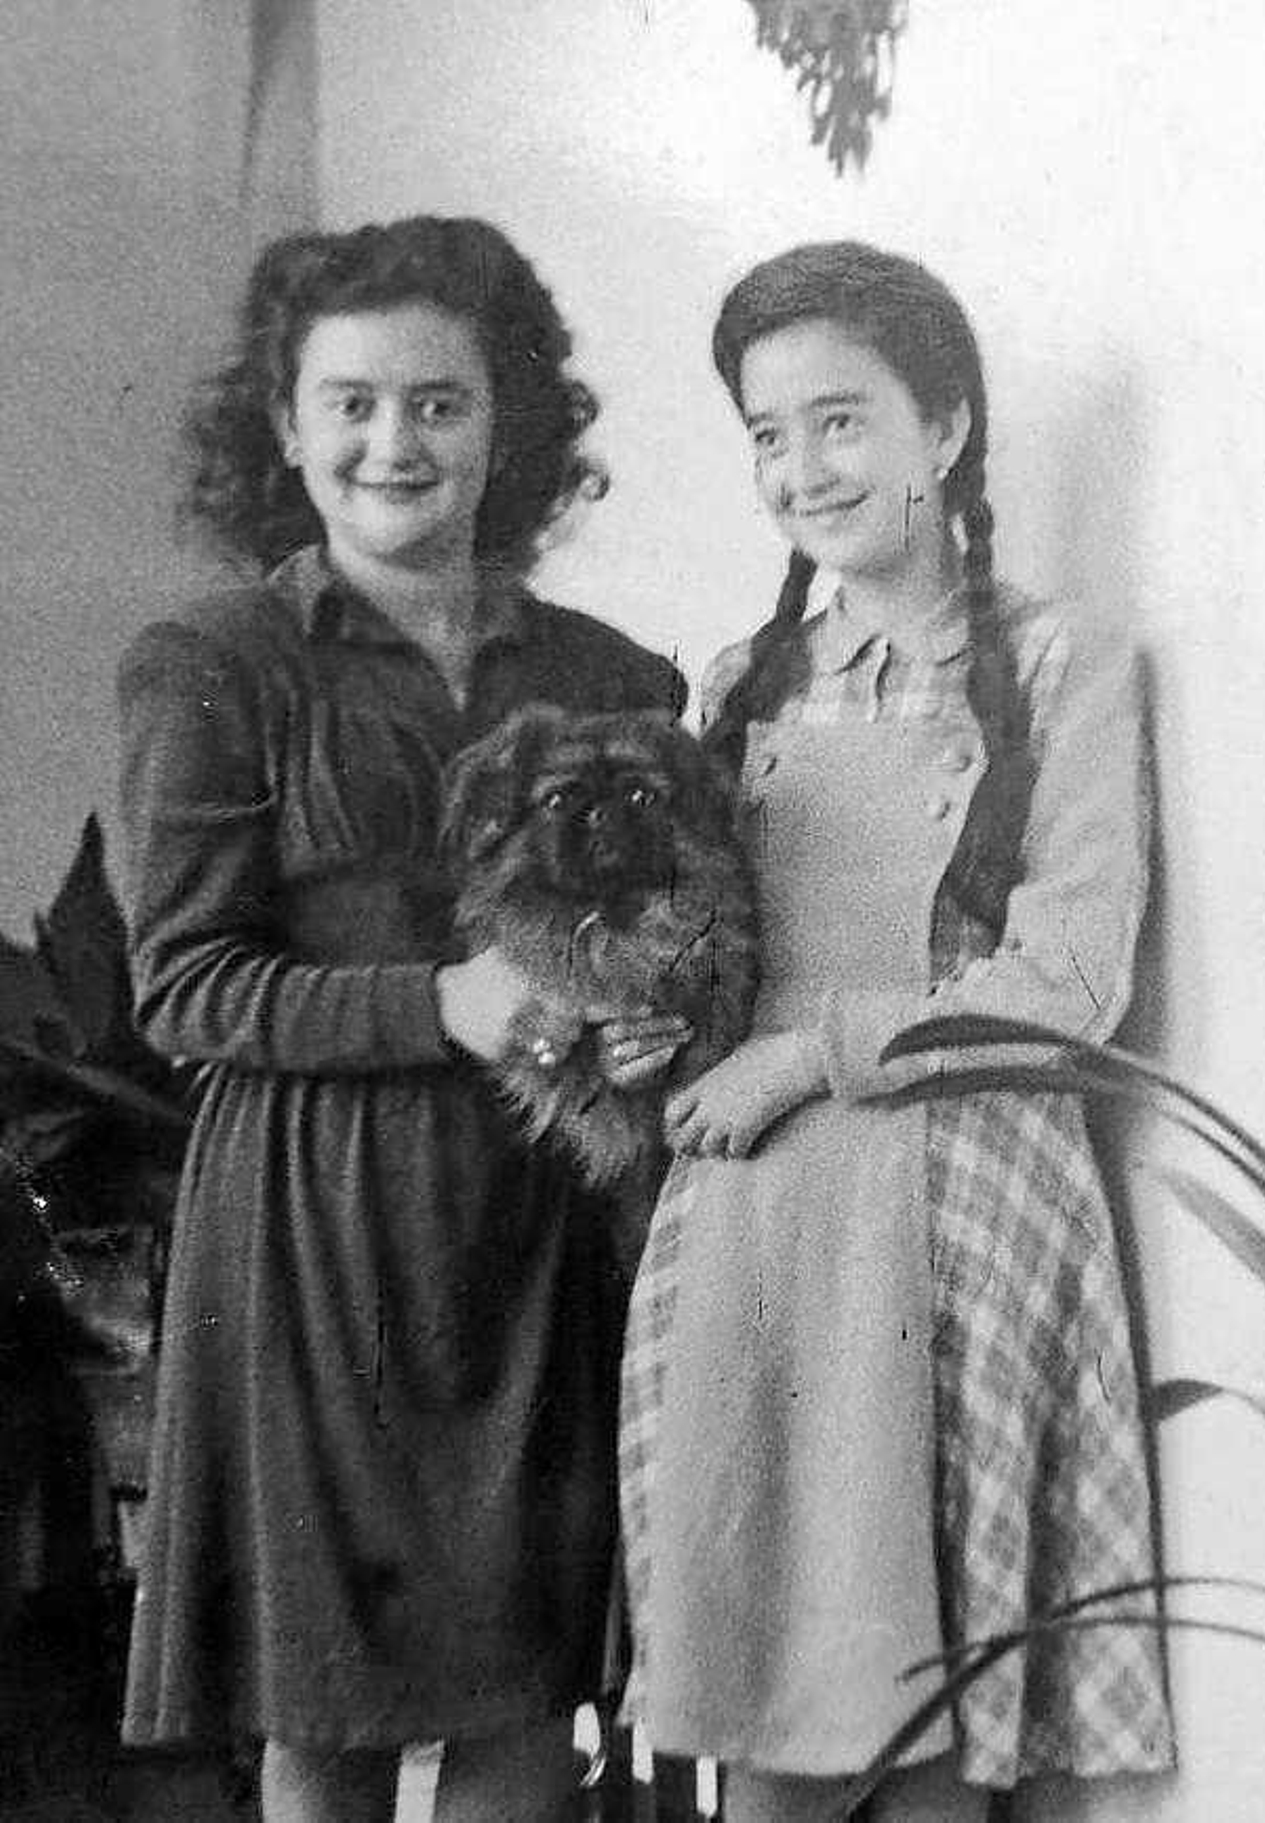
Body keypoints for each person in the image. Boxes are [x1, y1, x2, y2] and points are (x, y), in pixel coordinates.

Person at [117, 215, 687, 1823]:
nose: (395, 442)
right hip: (318, 1232)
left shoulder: (610, 670)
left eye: (439, 401)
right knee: (332, 1706)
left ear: (505, 421)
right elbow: (185, 986)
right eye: (351, 402)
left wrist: (641, 1023)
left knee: (528, 1683)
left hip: (537, 1221)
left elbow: (647, 931)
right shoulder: (213, 664)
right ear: (285, 429)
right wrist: (442, 1001)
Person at [618, 242, 1176, 1821]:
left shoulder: (1063, 662)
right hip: (760, 1223)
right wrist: (642, 1038)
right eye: (766, 436)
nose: (801, 469)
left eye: (840, 421)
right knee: (762, 1699)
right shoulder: (737, 685)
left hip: (962, 1207)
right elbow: (698, 964)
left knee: (923, 1724)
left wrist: (809, 1054)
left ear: (944, 429)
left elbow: (1072, 977)